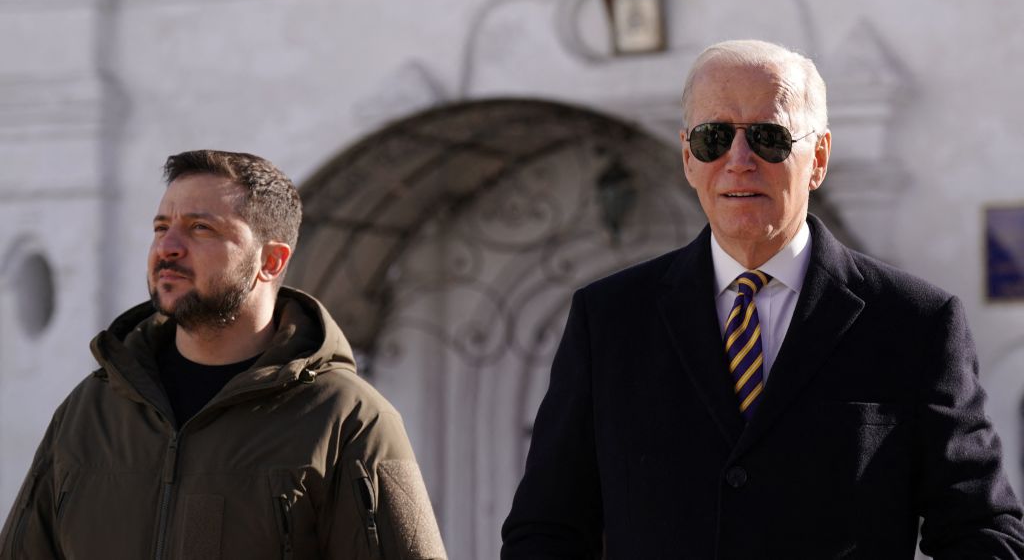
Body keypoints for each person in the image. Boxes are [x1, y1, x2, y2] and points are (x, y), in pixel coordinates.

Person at [501, 40, 1024, 558]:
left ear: (817, 157)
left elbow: (983, 530)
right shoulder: (608, 322)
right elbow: (547, 531)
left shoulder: (915, 323)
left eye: (769, 138)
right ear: (688, 157)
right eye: (714, 138)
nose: (739, 160)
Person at [0, 150, 446, 560]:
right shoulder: (92, 409)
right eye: (161, 227)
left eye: (201, 228)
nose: (167, 247)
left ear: (270, 262)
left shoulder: (348, 419)